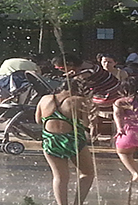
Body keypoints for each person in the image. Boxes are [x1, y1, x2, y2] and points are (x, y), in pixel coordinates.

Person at [37, 69, 97, 205]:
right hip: (73, 140)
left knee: (60, 177)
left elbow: (38, 120)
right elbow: (86, 124)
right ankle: (77, 203)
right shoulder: (79, 100)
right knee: (87, 173)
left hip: (51, 140)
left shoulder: (45, 99)